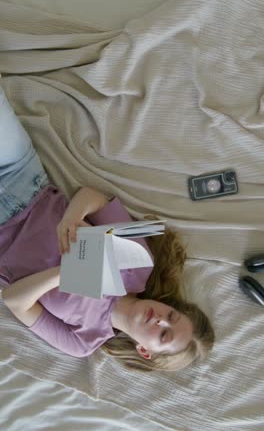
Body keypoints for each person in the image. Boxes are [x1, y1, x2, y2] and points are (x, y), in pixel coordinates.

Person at [0, 82, 214, 372]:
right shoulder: (139, 265)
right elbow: (95, 198)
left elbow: (13, 300)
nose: (161, 319)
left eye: (164, 334)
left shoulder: (82, 341)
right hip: (23, 177)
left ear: (145, 351)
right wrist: (71, 218)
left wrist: (64, 274)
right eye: (172, 316)